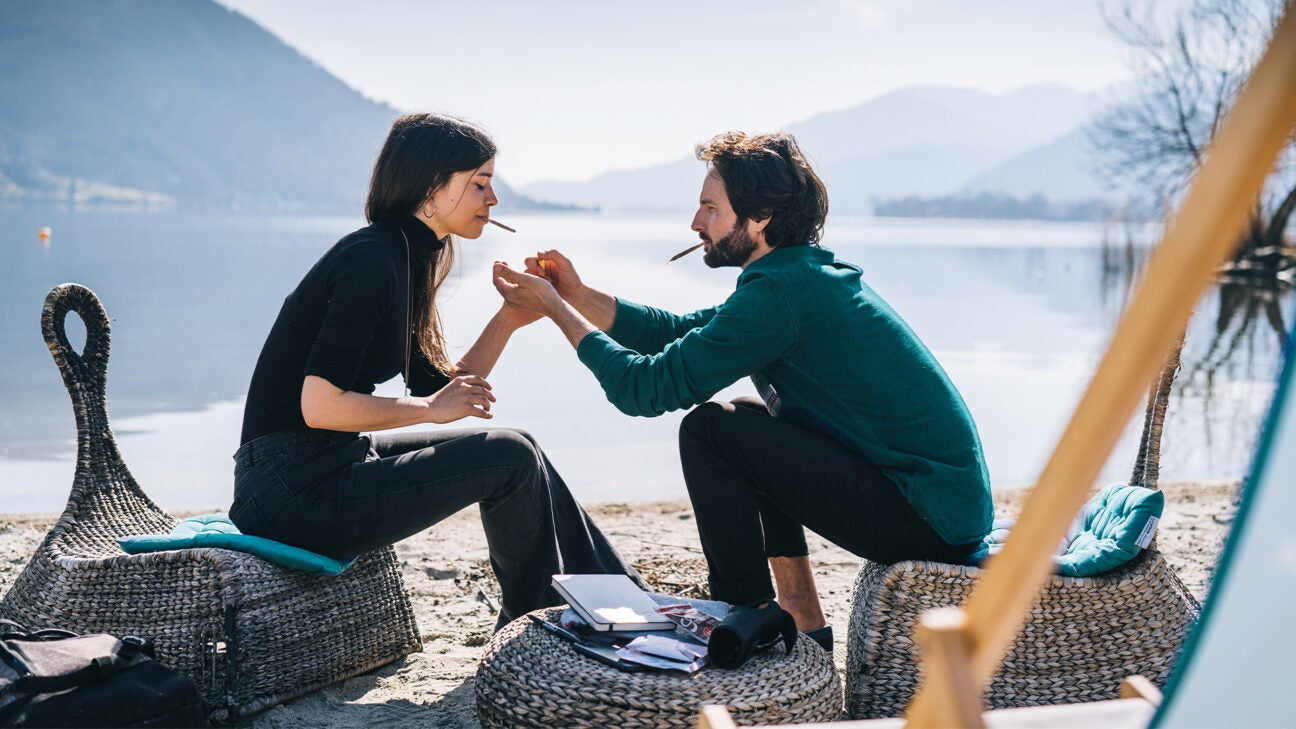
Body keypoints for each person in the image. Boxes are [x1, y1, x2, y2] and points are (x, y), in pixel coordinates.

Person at [491, 131, 993, 650]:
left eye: (710, 208)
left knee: (713, 431)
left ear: (760, 218)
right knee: (750, 418)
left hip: (927, 520)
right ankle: (799, 613)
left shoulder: (780, 293)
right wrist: (577, 294)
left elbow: (642, 389)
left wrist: (556, 309)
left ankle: (749, 610)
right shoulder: (797, 277)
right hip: (941, 508)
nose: (695, 223)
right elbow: (676, 332)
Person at [230, 112, 642, 630]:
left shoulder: (404, 254)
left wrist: (510, 318)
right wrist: (429, 410)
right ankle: (534, 623)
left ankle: (617, 599)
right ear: (431, 184)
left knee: (519, 444)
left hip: (325, 466)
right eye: (480, 184)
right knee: (509, 457)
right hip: (289, 493)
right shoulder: (371, 259)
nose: (493, 201)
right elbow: (320, 406)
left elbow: (442, 388)